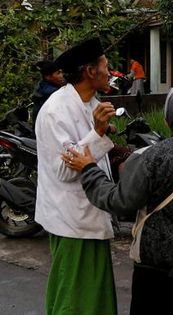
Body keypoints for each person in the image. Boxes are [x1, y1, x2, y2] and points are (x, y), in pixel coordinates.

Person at [62, 85, 173, 315]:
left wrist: (90, 170)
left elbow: (120, 201)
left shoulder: (151, 157)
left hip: (157, 274)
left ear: (168, 118)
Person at [34, 38, 119, 315]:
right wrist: (97, 133)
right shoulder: (55, 111)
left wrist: (102, 134)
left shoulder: (90, 103)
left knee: (95, 300)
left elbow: (91, 150)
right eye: (105, 65)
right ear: (89, 71)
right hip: (71, 221)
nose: (110, 70)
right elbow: (62, 169)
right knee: (73, 301)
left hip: (90, 216)